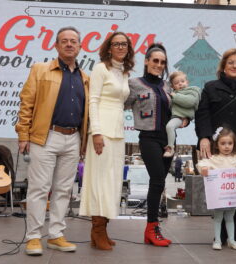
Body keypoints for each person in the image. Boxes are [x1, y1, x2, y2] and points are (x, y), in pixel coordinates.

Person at [15, 26, 89, 256]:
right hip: (45, 137)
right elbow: (26, 103)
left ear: (79, 46)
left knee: (64, 190)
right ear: (56, 46)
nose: (69, 44)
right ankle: (34, 238)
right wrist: (23, 135)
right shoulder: (40, 69)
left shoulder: (85, 77)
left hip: (73, 138)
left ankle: (56, 235)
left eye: (73, 41)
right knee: (38, 189)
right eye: (64, 41)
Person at [195, 48, 236, 246]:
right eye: (230, 62)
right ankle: (221, 233)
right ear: (224, 66)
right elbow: (202, 114)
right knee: (219, 190)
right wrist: (205, 137)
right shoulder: (210, 87)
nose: (234, 66)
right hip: (216, 149)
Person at [126, 43, 187, 247]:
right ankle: (152, 227)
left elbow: (180, 107)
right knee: (158, 180)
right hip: (149, 138)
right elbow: (118, 102)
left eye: (162, 62)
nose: (159, 65)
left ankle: (151, 229)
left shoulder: (168, 86)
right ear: (146, 61)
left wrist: (185, 119)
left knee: (159, 183)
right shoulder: (134, 83)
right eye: (155, 61)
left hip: (168, 140)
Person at [79, 32, 135, 251]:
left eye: (124, 44)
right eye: (116, 44)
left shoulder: (124, 72)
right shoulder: (100, 68)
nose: (120, 47)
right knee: (100, 181)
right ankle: (97, 230)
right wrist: (96, 132)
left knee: (112, 182)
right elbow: (93, 100)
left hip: (118, 132)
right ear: (109, 48)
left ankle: (103, 229)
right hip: (102, 131)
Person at [197, 127, 236, 250]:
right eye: (223, 143)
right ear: (217, 145)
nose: (227, 146)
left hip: (231, 196)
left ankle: (231, 240)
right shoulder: (214, 159)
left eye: (230, 143)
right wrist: (204, 170)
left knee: (230, 218)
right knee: (218, 218)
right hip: (219, 197)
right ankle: (217, 240)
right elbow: (202, 164)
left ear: (234, 144)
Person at [163, 71, 201, 157]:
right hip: (175, 117)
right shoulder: (173, 93)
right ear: (172, 86)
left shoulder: (193, 91)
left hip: (181, 117)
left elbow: (190, 102)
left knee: (169, 126)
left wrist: (174, 96)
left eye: (182, 81)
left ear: (187, 82)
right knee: (169, 127)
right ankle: (170, 146)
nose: (180, 84)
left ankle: (170, 148)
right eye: (176, 83)